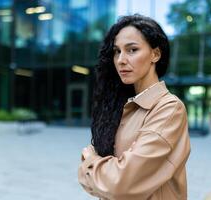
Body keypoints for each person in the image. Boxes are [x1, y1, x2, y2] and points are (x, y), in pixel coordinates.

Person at [78, 14, 191, 200]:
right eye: (117, 51)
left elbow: (121, 184)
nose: (121, 59)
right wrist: (103, 177)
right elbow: (110, 186)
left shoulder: (169, 109)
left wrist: (90, 162)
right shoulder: (122, 106)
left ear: (155, 54)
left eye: (132, 50)